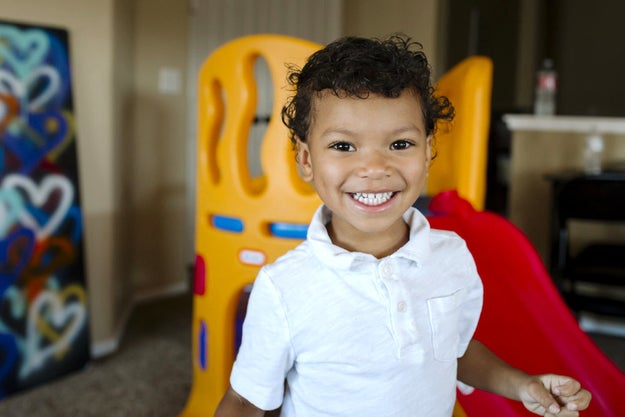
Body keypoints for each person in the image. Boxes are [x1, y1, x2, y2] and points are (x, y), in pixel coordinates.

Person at [214, 34, 592, 417]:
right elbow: (245, 401)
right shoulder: (284, 287)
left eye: (399, 144)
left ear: (428, 151)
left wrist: (522, 384)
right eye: (344, 146)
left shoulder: (451, 256)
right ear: (307, 159)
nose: (375, 168)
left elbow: (453, 351)